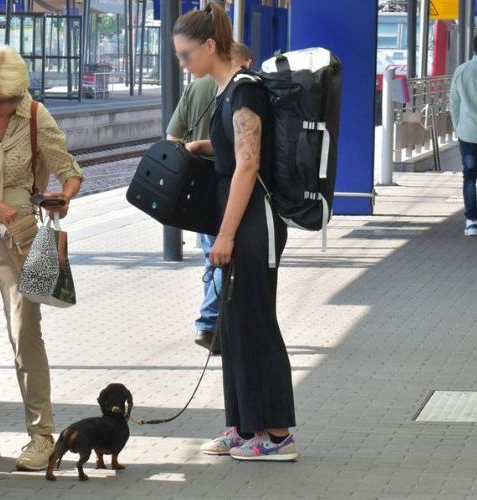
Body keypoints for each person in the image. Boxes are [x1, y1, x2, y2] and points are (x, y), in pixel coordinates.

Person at [173, 4, 298, 461]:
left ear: (210, 46)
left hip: (252, 224)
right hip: (237, 220)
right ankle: (244, 427)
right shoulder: (226, 91)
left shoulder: (246, 91)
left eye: (186, 55)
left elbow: (249, 163)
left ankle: (278, 435)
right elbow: (235, 149)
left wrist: (224, 236)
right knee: (235, 327)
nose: (183, 64)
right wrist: (205, 145)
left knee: (256, 324)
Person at [0, 45, 84, 471]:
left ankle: (41, 435)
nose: (3, 106)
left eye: (9, 100)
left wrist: (63, 196)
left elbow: (69, 169)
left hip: (21, 231)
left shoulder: (36, 116)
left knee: (25, 328)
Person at [166, 42, 254, 355]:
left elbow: (173, 138)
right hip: (228, 189)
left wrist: (193, 151)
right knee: (220, 256)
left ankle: (215, 326)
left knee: (211, 254)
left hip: (198, 187)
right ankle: (209, 322)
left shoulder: (198, 89)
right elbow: (247, 158)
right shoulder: (244, 91)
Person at [449, 35, 477, 237]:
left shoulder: (462, 71)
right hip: (467, 130)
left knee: (469, 176)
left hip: (468, 132)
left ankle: (471, 221)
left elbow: (454, 104)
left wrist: (458, 126)